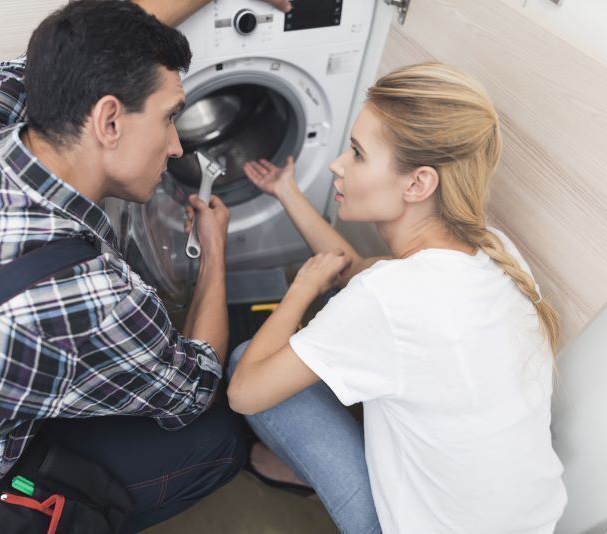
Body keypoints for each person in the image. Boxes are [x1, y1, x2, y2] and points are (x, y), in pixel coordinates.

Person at [0, 1, 291, 532]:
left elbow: (86, 39)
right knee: (215, 439)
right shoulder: (84, 295)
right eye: (171, 116)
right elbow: (193, 388)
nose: (177, 147)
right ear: (109, 119)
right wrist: (214, 253)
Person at [226, 63, 568, 533]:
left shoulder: (387, 297)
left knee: (249, 358)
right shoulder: (494, 247)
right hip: (533, 522)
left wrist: (302, 288)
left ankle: (318, 477)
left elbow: (246, 394)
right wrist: (286, 190)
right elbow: (352, 269)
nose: (336, 165)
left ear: (418, 184)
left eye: (357, 154)